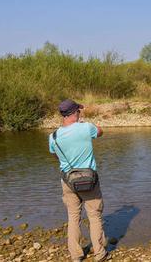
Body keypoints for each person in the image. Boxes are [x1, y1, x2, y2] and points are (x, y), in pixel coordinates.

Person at [48, 99, 110, 262]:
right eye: (79, 111)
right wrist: (85, 123)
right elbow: (100, 132)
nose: (80, 113)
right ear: (75, 113)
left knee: (73, 217)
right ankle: (99, 254)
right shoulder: (86, 128)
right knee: (94, 216)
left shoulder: (53, 136)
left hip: (68, 182)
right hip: (90, 180)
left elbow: (56, 155)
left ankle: (76, 256)